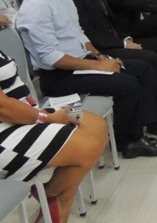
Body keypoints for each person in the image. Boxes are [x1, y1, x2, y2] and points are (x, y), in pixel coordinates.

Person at [16, 0, 157, 159]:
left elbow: (79, 34)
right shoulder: (36, 5)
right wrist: (99, 66)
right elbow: (52, 58)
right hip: (59, 76)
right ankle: (128, 142)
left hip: (80, 62)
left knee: (141, 68)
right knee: (127, 83)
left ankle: (141, 129)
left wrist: (100, 57)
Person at [0, 46, 107, 223]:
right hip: (8, 129)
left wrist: (41, 114)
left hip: (28, 114)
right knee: (89, 146)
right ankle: (57, 206)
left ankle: (50, 196)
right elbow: (2, 107)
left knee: (96, 124)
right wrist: (47, 118)